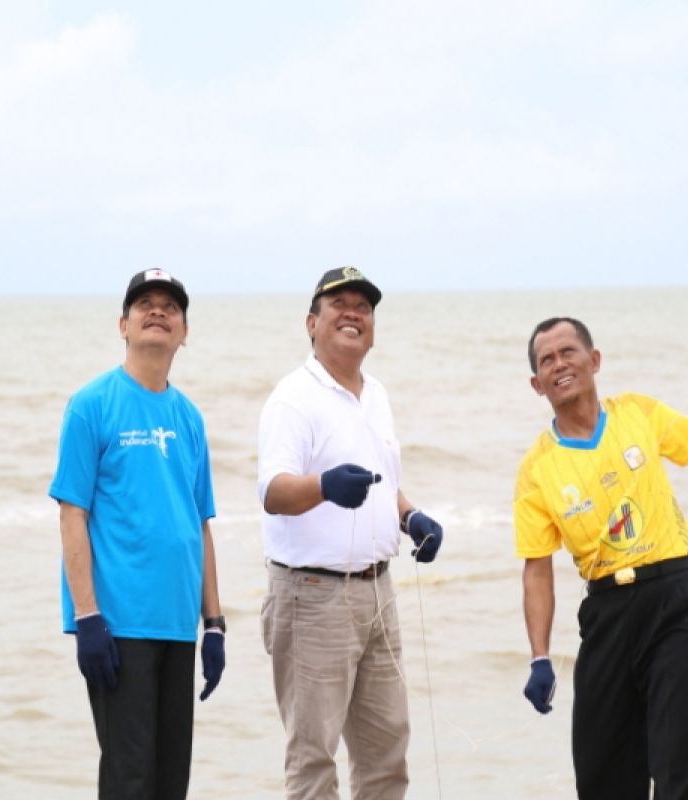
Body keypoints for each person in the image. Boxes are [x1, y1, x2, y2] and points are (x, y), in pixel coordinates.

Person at [515, 309, 688, 799]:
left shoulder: (636, 413)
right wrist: (539, 657)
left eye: (568, 352)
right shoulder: (537, 468)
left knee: (683, 766)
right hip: (606, 615)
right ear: (537, 384)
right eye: (547, 360)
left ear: (594, 360)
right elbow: (537, 568)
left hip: (672, 599)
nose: (559, 365)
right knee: (602, 775)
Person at [257, 266, 444, 800]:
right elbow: (273, 490)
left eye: (363, 306)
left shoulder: (376, 394)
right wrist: (324, 486)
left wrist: (412, 519)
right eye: (339, 304)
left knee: (387, 754)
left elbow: (386, 483)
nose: (353, 314)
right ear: (312, 322)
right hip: (312, 595)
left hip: (379, 593)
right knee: (313, 757)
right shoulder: (293, 397)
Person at [48, 269, 225, 800]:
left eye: (170, 306)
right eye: (144, 303)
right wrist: (87, 617)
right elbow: (72, 515)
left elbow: (200, 524)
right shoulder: (92, 404)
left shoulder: (189, 417)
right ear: (122, 325)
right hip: (118, 624)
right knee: (129, 779)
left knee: (171, 782)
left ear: (184, 332)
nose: (157, 311)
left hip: (177, 626)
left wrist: (213, 624)